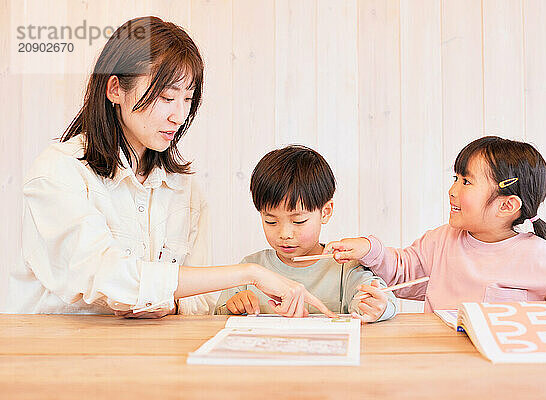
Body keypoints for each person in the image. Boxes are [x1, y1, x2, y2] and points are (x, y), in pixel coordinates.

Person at [7, 16, 335, 318]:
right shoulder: (58, 173)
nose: (179, 116)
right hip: (56, 359)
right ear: (115, 89)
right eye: (166, 98)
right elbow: (101, 274)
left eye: (188, 99)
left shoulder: (184, 189)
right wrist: (248, 274)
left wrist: (169, 301)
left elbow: (202, 299)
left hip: (152, 359)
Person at [324, 136, 546, 312]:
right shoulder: (442, 240)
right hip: (442, 361)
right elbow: (400, 271)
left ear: (507, 206)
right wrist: (369, 248)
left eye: (466, 182)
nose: (453, 191)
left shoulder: (540, 256)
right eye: (455, 179)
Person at [214, 145, 397, 322]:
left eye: (298, 221)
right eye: (271, 221)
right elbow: (216, 315)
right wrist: (233, 307)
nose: (284, 234)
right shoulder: (251, 267)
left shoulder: (344, 268)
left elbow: (384, 300)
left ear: (325, 212)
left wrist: (376, 305)